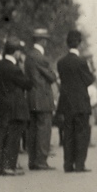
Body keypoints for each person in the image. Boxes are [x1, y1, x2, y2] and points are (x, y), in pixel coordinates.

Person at [0, 38, 33, 176]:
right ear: (16, 53)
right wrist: (22, 66)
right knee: (13, 138)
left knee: (0, 136)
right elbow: (28, 84)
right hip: (14, 108)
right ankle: (8, 167)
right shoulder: (15, 69)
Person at [56, 30, 95, 173]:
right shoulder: (82, 62)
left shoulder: (61, 62)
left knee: (68, 135)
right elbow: (89, 80)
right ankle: (79, 165)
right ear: (79, 43)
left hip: (66, 103)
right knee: (81, 135)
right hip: (81, 103)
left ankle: (68, 164)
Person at [25, 28, 58, 170]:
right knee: (44, 131)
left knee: (33, 131)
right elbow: (52, 76)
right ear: (43, 41)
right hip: (43, 98)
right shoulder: (41, 57)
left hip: (32, 97)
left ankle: (33, 161)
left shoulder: (29, 55)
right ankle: (41, 161)